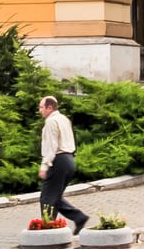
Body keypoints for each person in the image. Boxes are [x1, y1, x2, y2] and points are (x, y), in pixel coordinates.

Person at [36, 95, 87, 235]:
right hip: (69, 160)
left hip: (58, 160)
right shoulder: (64, 119)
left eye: (41, 107)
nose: (39, 110)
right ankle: (79, 217)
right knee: (54, 196)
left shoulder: (51, 121)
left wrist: (44, 166)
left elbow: (51, 146)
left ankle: (48, 231)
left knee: (47, 197)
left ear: (49, 107)